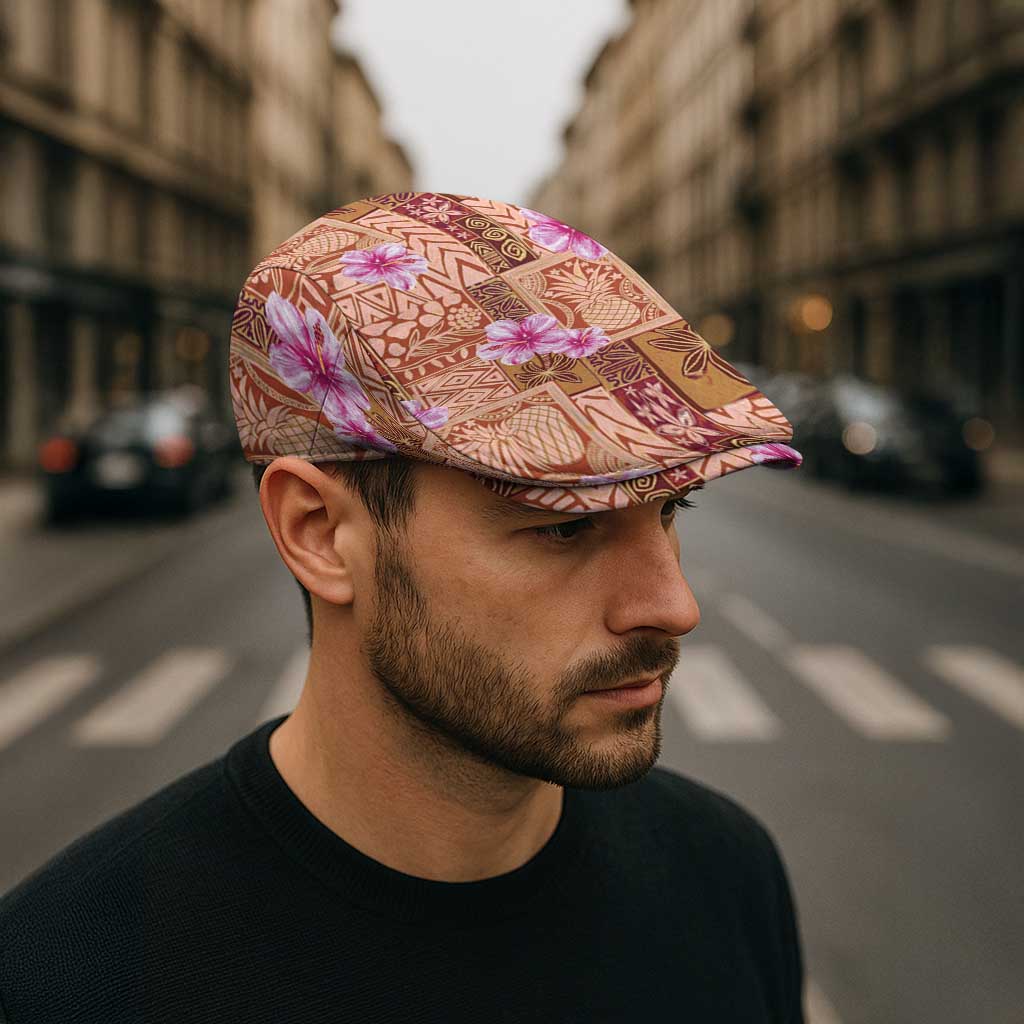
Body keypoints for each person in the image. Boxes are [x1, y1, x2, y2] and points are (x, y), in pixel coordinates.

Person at [0, 192, 806, 1023]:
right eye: (564, 526)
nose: (673, 605)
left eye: (673, 510)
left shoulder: (727, 876)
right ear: (319, 533)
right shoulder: (67, 980)